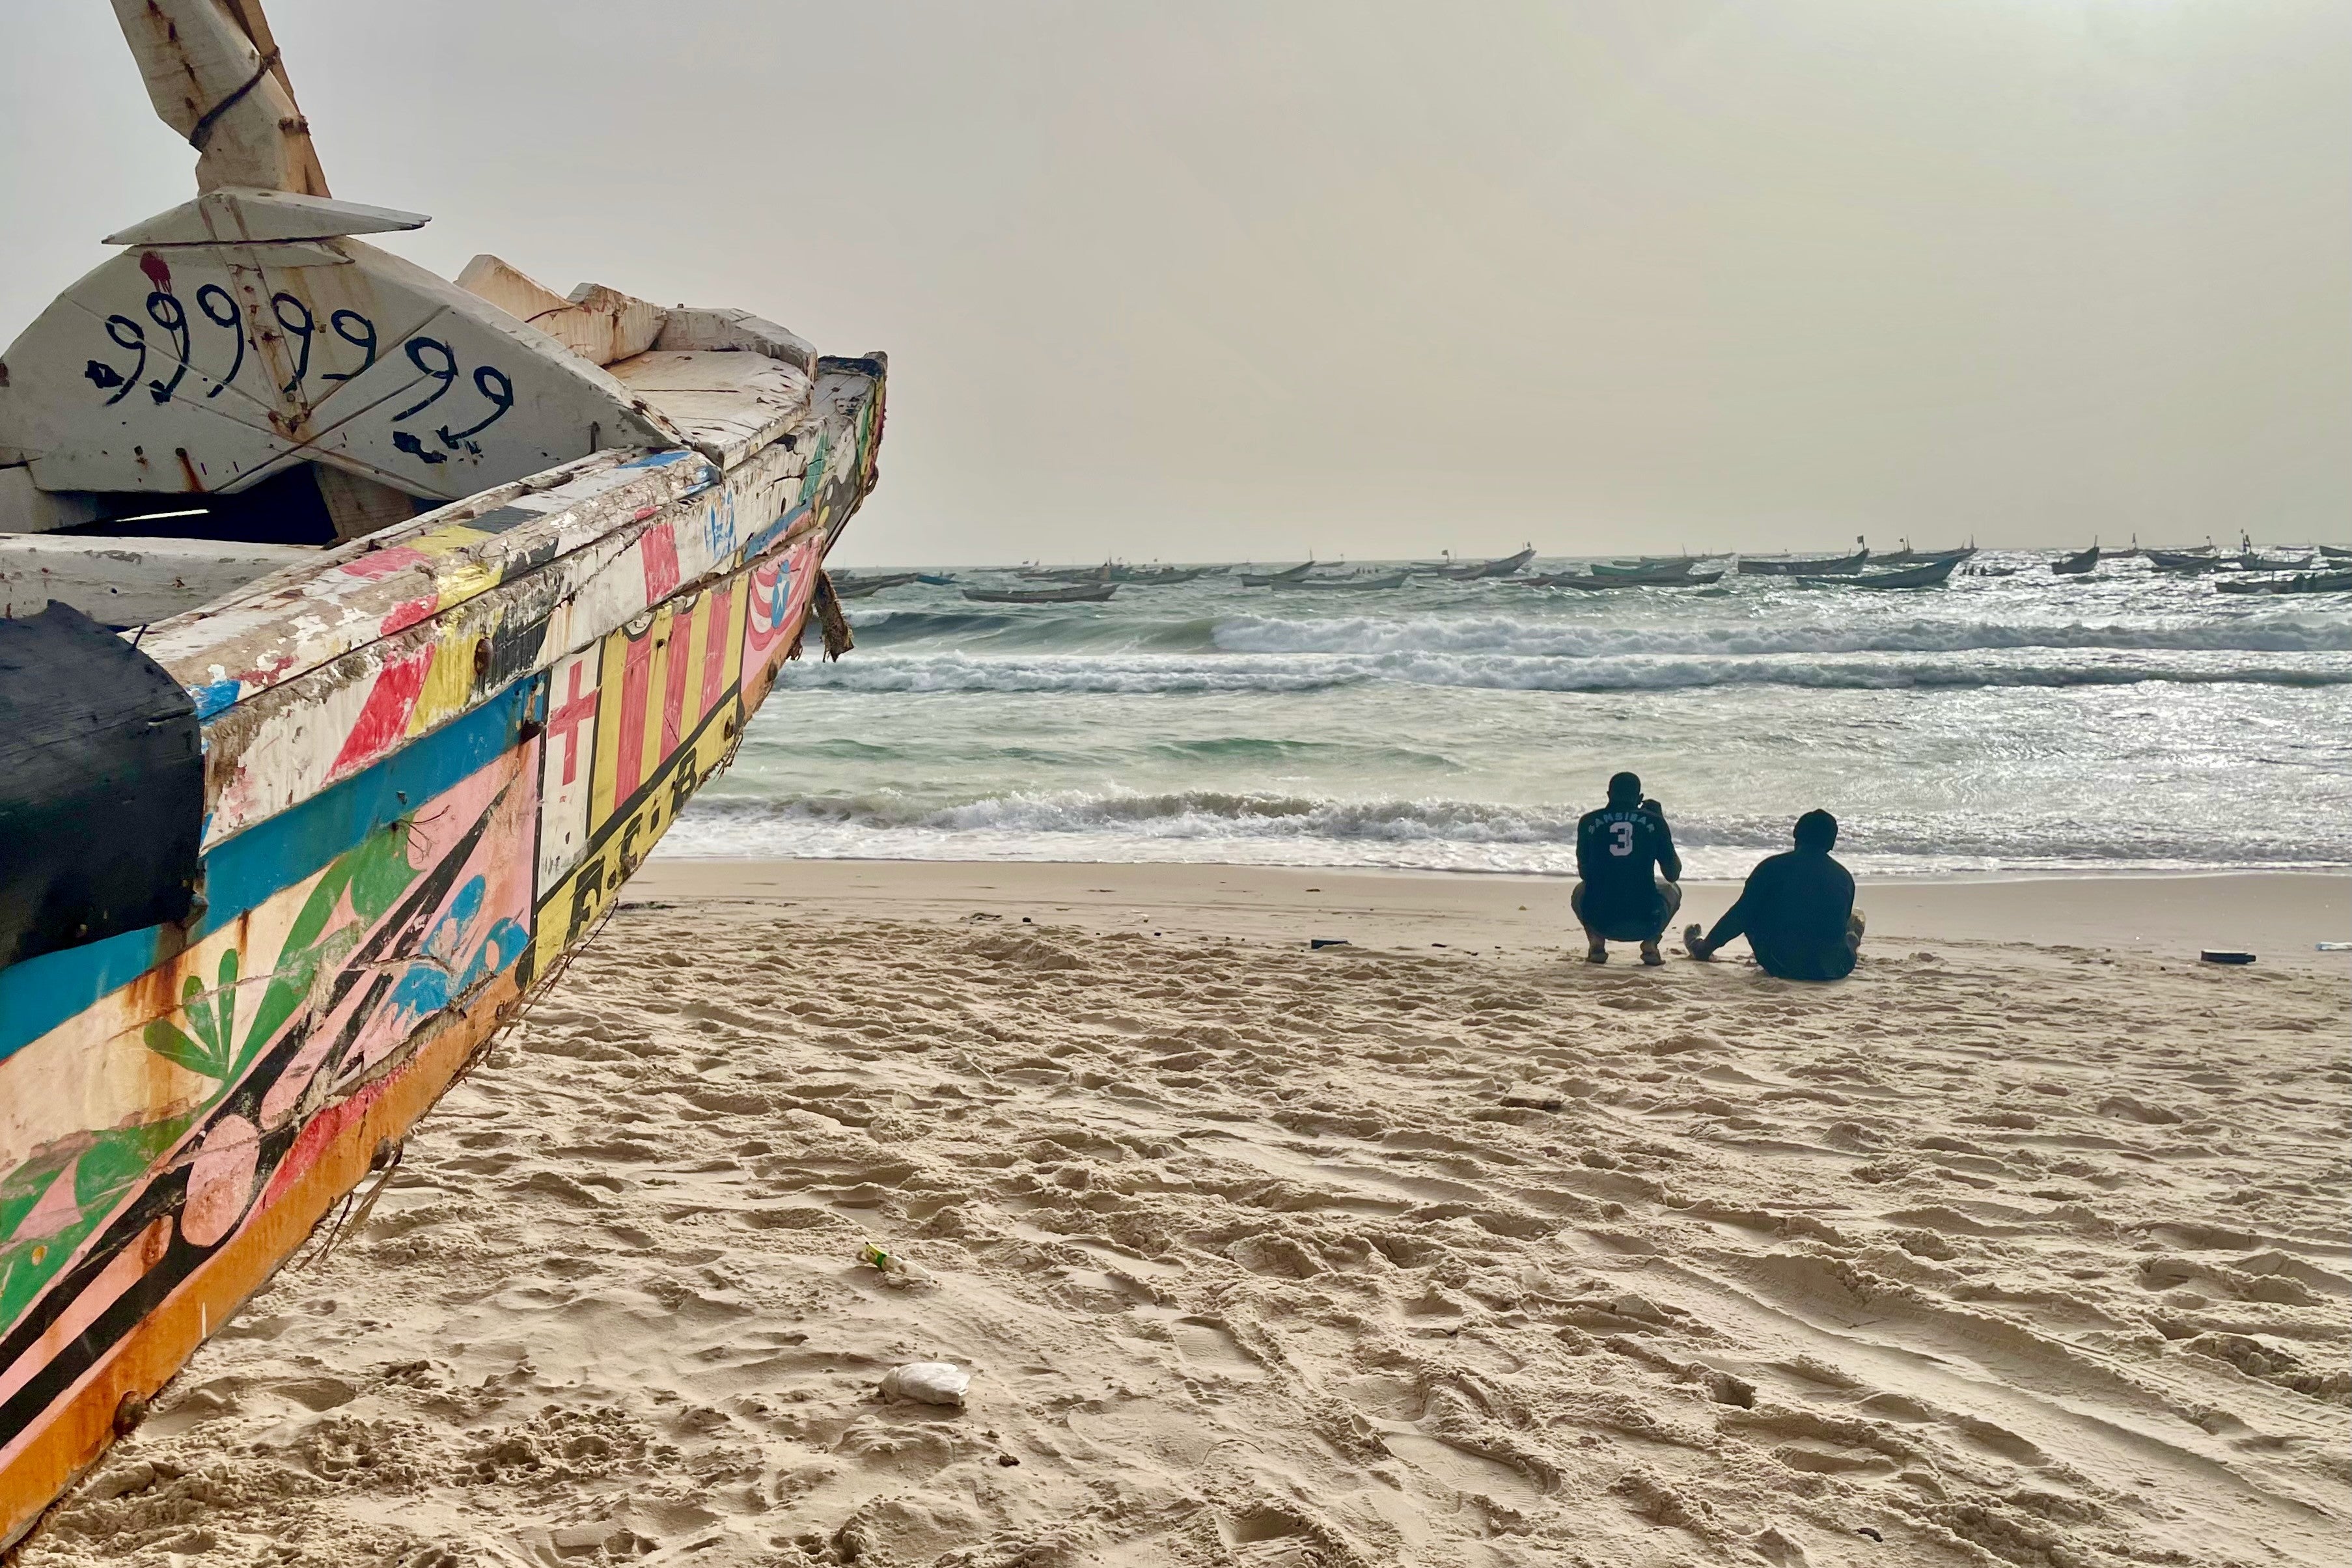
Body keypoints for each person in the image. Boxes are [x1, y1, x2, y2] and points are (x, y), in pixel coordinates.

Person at [1685, 809, 1864, 980]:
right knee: (1852, 920)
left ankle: (1703, 949)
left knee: (1751, 909)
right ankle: (1854, 937)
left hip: (1782, 964)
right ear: (1831, 843)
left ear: (1797, 836)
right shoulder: (1844, 878)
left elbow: (1739, 916)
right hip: (1837, 967)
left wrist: (1705, 948)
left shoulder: (1771, 867)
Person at [1571, 771, 1683, 965]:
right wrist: (1660, 820)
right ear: (1640, 798)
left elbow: (1585, 874)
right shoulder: (1654, 822)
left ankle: (1596, 942)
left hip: (1601, 920)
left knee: (1580, 890)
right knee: (1673, 889)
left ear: (1608, 795)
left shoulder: (1588, 822)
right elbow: (1673, 873)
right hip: (1646, 921)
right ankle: (1651, 942)